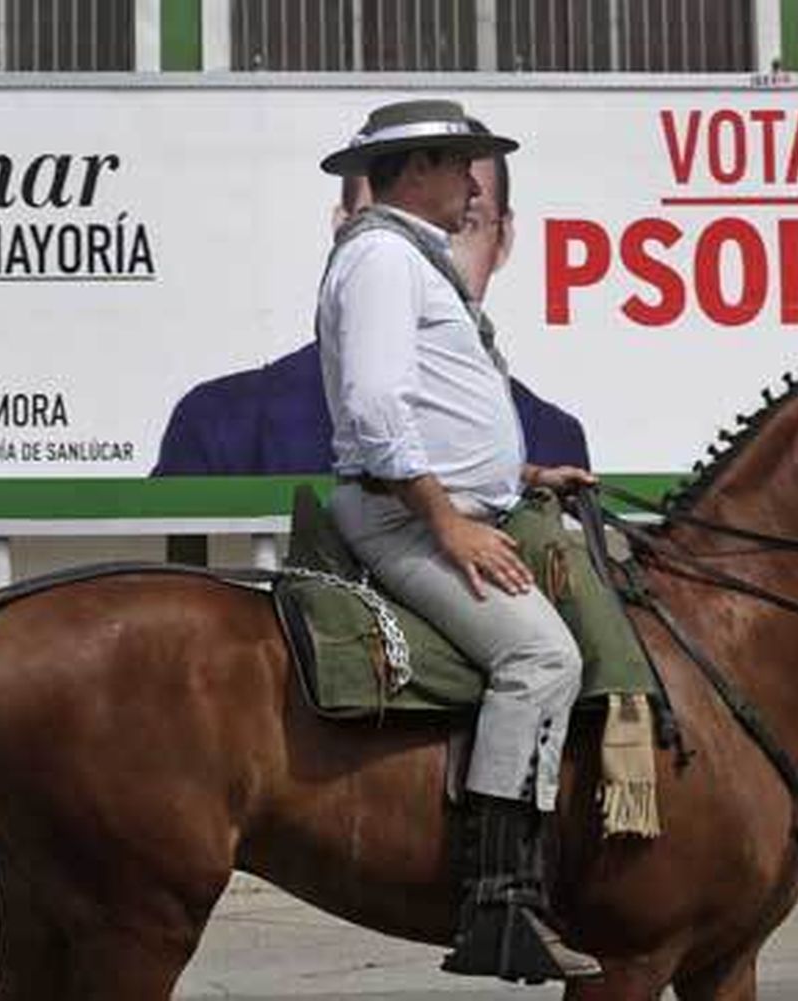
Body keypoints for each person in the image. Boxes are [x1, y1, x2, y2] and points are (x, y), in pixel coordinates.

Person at [316, 99, 602, 983]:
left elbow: (433, 406)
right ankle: (498, 903)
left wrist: (519, 476)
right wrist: (449, 521)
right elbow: (374, 406)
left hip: (450, 506)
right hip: (405, 521)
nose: (476, 189)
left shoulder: (409, 258)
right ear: (415, 171)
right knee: (542, 658)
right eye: (461, 168)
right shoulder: (380, 259)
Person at [150, 127, 588, 476]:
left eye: (462, 224)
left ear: (502, 240)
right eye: (387, 224)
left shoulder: (550, 438)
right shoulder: (220, 423)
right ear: (344, 231)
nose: (420, 252)